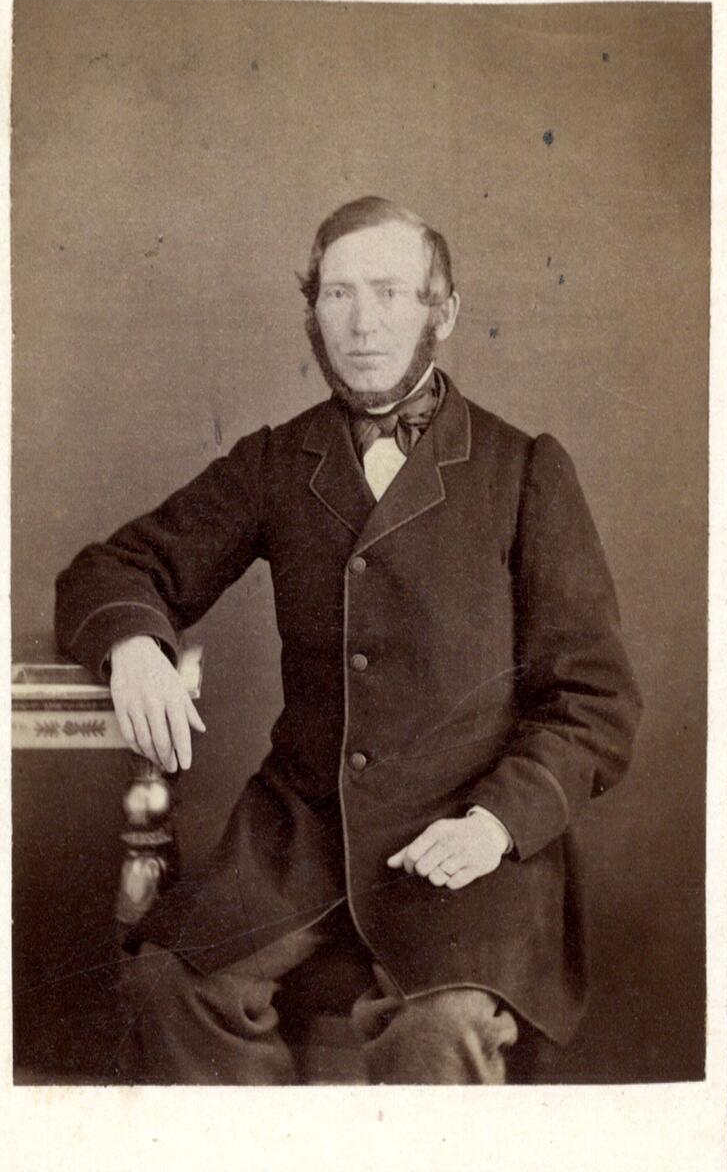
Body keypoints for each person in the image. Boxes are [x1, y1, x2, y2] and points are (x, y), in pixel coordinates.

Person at [55, 196, 642, 1085]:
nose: (362, 322)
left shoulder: (522, 469)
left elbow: (593, 702)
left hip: (468, 841)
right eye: (337, 295)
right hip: (301, 837)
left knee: (438, 1031)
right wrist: (134, 643)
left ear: (441, 311)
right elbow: (113, 567)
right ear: (312, 313)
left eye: (389, 293)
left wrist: (496, 823)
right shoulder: (275, 461)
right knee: (169, 985)